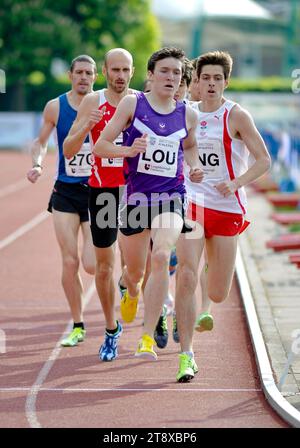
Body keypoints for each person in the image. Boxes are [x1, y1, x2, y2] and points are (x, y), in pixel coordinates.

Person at [94, 47, 203, 381]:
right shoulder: (133, 104)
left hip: (171, 197)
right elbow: (101, 146)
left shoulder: (188, 114)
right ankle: (130, 289)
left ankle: (147, 337)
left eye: (177, 74)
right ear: (151, 75)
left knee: (161, 256)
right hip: (136, 198)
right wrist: (129, 149)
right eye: (165, 72)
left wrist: (195, 167)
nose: (172, 78)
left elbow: (190, 149)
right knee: (134, 272)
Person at [184, 51, 271, 332]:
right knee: (186, 270)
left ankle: (208, 286)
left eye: (217, 78)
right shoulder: (187, 112)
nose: (211, 84)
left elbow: (264, 160)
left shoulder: (236, 116)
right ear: (197, 80)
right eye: (205, 78)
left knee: (218, 292)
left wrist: (236, 183)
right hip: (192, 203)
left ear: (226, 82)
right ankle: (183, 314)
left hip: (226, 206)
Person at [63, 48, 135, 362]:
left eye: (126, 69)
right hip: (103, 192)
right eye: (115, 70)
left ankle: (132, 287)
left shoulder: (140, 101)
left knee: (136, 266)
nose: (120, 76)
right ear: (104, 72)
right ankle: (110, 329)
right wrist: (84, 126)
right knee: (103, 269)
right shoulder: (94, 102)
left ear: (133, 71)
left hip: (136, 193)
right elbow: (68, 150)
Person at [27, 55, 98, 347]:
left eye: (89, 73)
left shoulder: (104, 105)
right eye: (79, 72)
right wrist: (38, 163)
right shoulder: (55, 106)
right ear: (70, 74)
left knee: (92, 265)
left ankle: (122, 276)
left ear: (96, 76)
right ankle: (78, 324)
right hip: (65, 192)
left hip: (98, 192)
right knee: (69, 262)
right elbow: (41, 141)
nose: (83, 77)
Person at [154, 56, 194, 350]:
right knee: (156, 262)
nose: (175, 87)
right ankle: (158, 314)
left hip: (191, 199)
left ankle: (180, 314)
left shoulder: (191, 116)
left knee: (184, 265)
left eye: (181, 82)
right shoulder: (147, 109)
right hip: (152, 197)